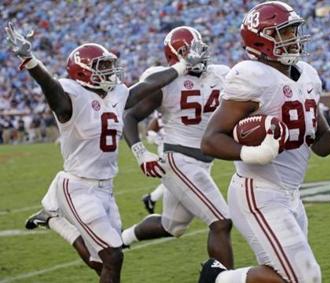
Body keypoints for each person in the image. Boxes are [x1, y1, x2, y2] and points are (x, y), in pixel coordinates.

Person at [6, 21, 204, 283]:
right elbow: (50, 87)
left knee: (103, 262)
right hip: (77, 185)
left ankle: (55, 221)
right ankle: (55, 215)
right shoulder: (69, 97)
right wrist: (31, 61)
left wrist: (181, 66)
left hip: (106, 188)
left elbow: (147, 86)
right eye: (103, 66)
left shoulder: (116, 93)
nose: (111, 70)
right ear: (82, 71)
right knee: (113, 256)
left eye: (109, 64)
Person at [199, 2, 330, 283]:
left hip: (291, 194)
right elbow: (210, 140)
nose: (294, 38)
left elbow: (320, 145)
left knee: (283, 276)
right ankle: (217, 279)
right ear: (262, 38)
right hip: (258, 191)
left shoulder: (307, 75)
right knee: (306, 278)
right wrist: (254, 153)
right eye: (285, 32)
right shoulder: (251, 75)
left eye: (294, 31)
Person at [121, 26, 234, 269]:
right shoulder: (164, 80)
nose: (197, 55)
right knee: (221, 221)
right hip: (178, 160)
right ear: (174, 56)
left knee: (173, 226)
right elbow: (129, 116)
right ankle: (223, 278)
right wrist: (140, 153)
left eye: (198, 48)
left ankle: (121, 239)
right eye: (187, 51)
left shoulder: (221, 74)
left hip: (204, 161)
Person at [142, 110, 166, 214]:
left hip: (170, 145)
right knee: (174, 180)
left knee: (174, 179)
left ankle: (151, 198)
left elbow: (149, 134)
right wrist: (160, 141)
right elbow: (150, 133)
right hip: (169, 146)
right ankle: (151, 199)